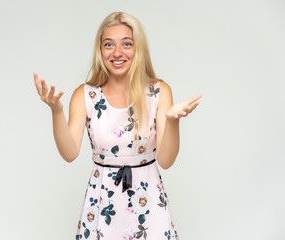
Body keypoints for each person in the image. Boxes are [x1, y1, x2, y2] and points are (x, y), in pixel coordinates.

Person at [33, 12, 201, 240]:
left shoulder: (159, 92)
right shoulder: (85, 95)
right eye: (108, 44)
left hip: (149, 206)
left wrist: (172, 120)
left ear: (138, 49)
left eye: (127, 44)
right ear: (100, 50)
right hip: (102, 206)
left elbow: (166, 160)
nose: (117, 52)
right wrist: (56, 111)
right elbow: (69, 152)